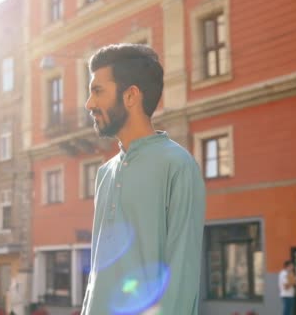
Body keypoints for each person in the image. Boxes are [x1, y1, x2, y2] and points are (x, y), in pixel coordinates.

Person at [81, 43, 206, 315]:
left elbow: (182, 273)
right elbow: (96, 274)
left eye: (97, 91)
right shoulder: (104, 173)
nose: (89, 104)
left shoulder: (178, 165)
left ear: (130, 96)